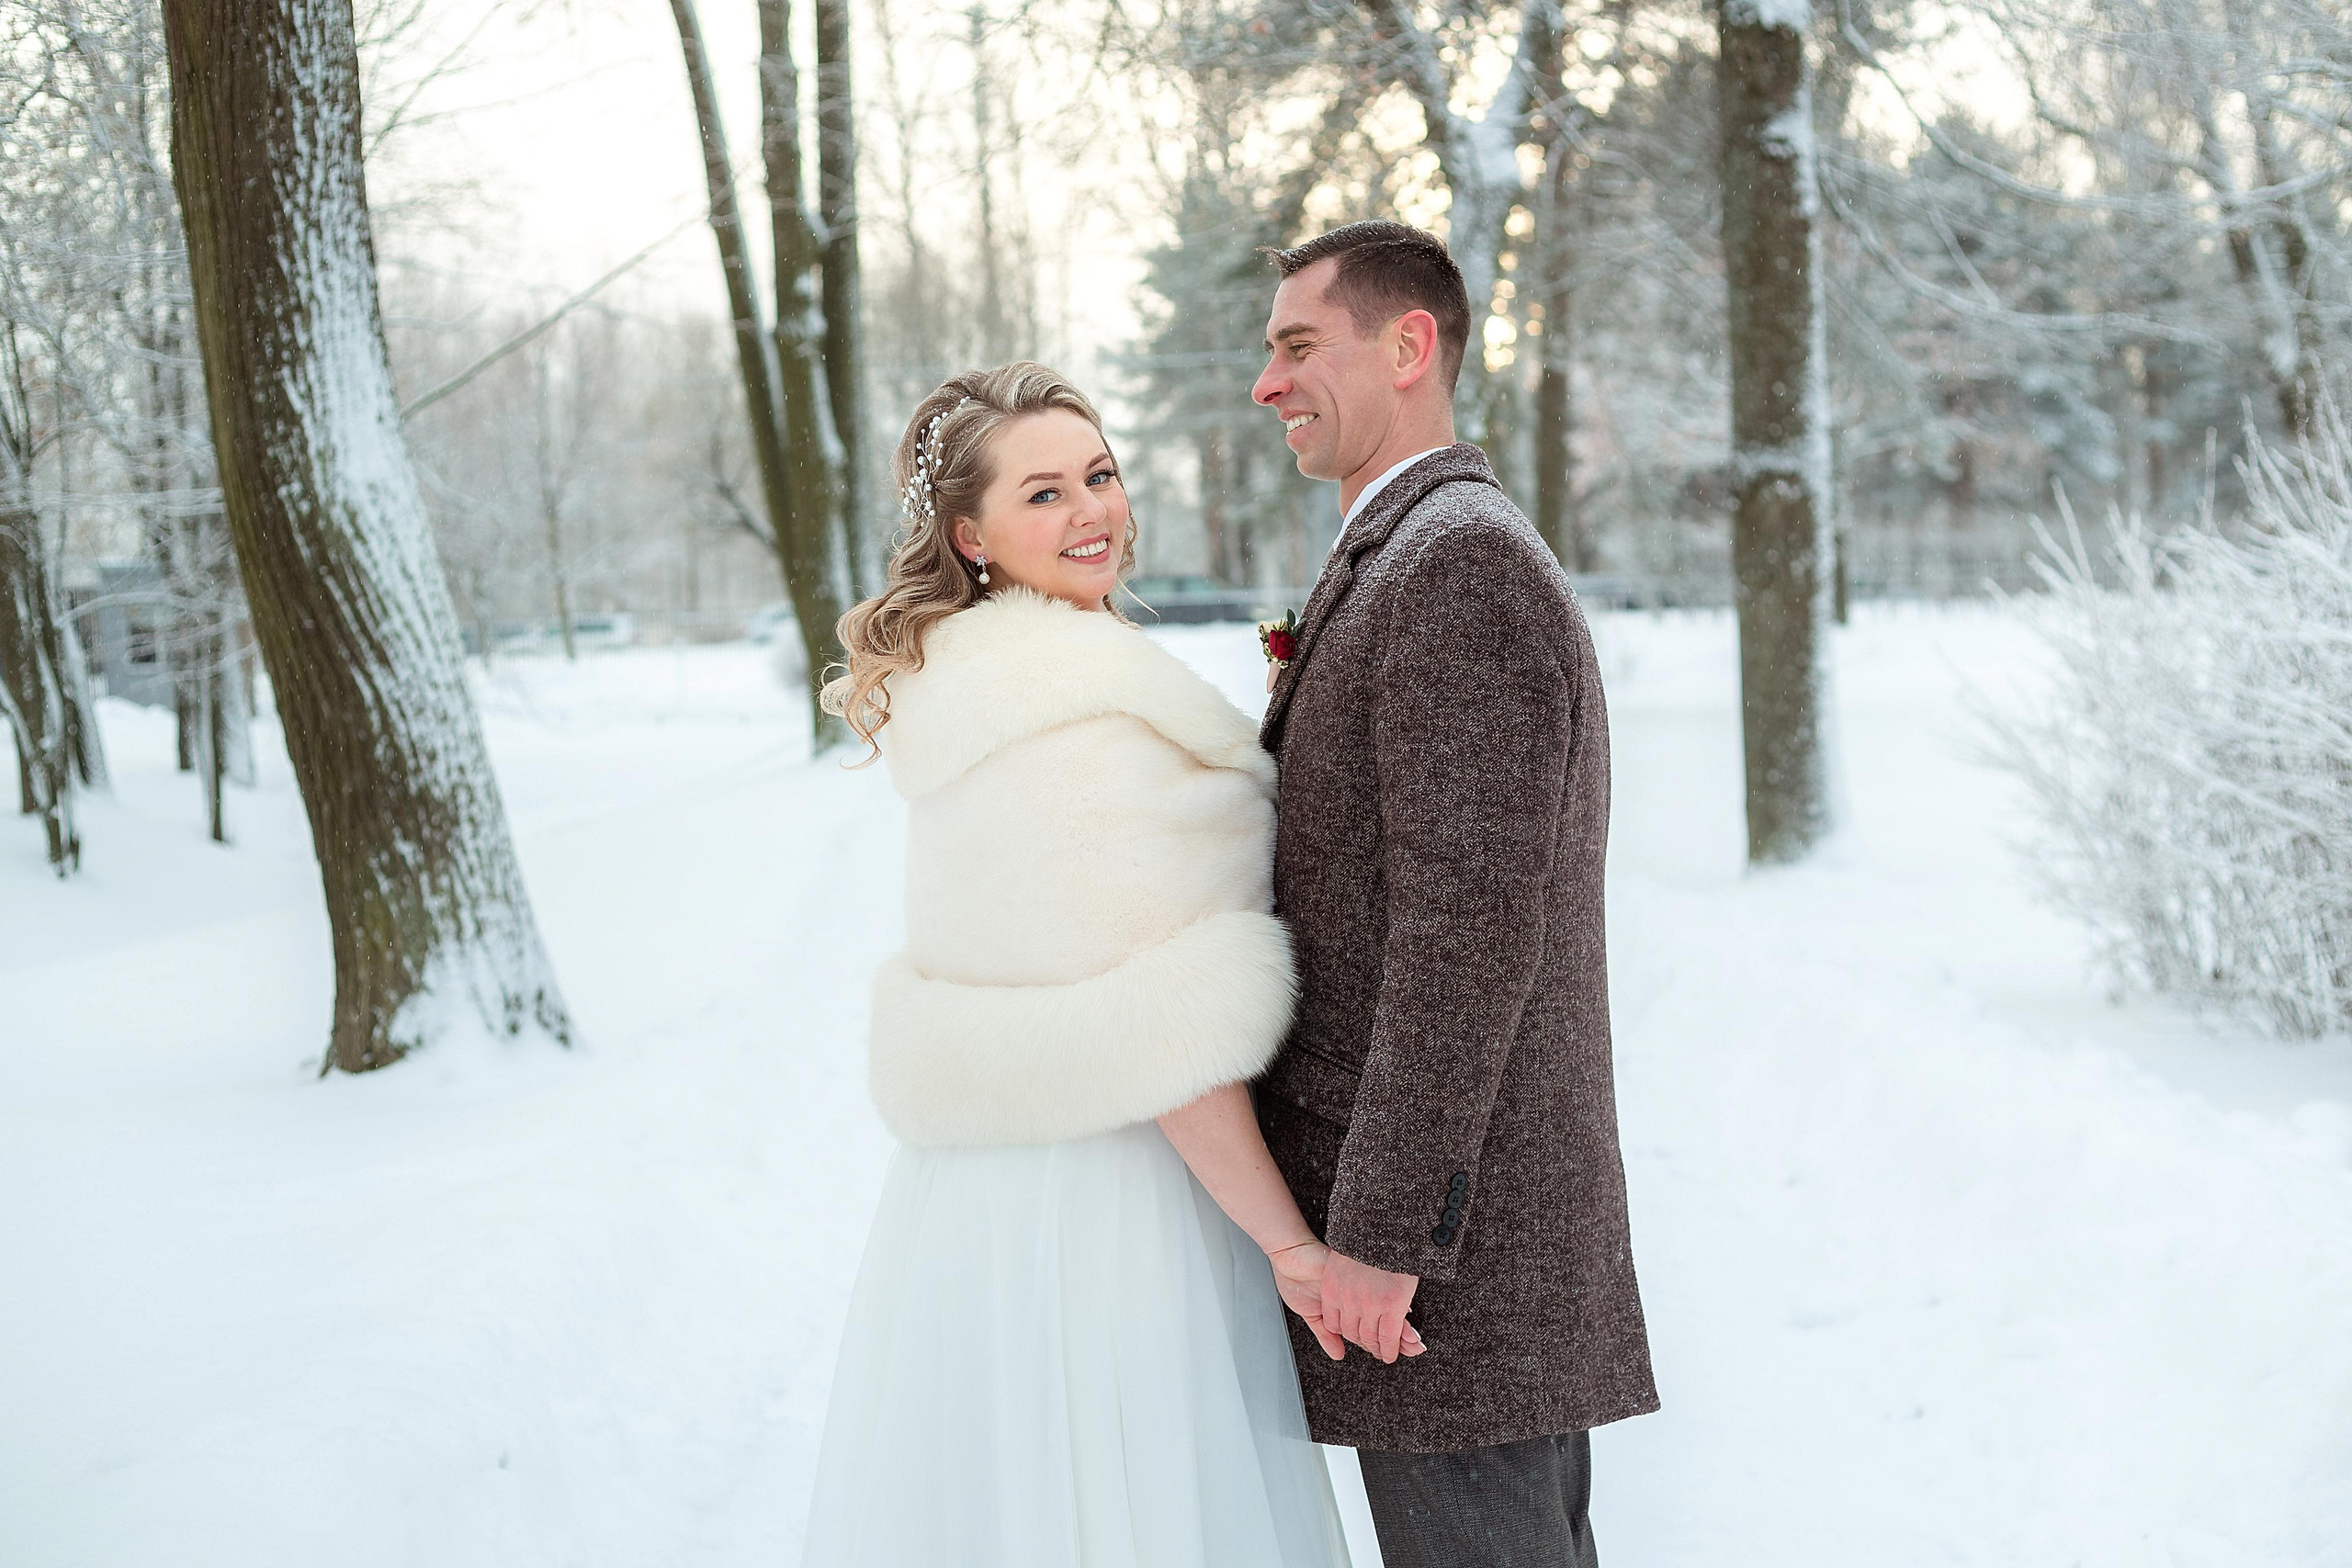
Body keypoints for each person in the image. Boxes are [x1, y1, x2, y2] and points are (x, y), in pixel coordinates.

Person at [800, 361, 1381, 1566]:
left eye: (1101, 476)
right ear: (971, 537)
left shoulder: (974, 692)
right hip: (1114, 1206)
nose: (1091, 514)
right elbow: (1163, 1037)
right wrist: (1289, 1246)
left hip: (982, 1208)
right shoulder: (1072, 722)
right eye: (1045, 494)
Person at [1245, 220, 1661, 1566]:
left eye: (1299, 346)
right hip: (1446, 1254)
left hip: (1443, 1269)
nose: (1269, 384)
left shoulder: (1456, 566)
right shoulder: (1406, 552)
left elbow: (1465, 938)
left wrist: (1378, 1238)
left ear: (1408, 346)